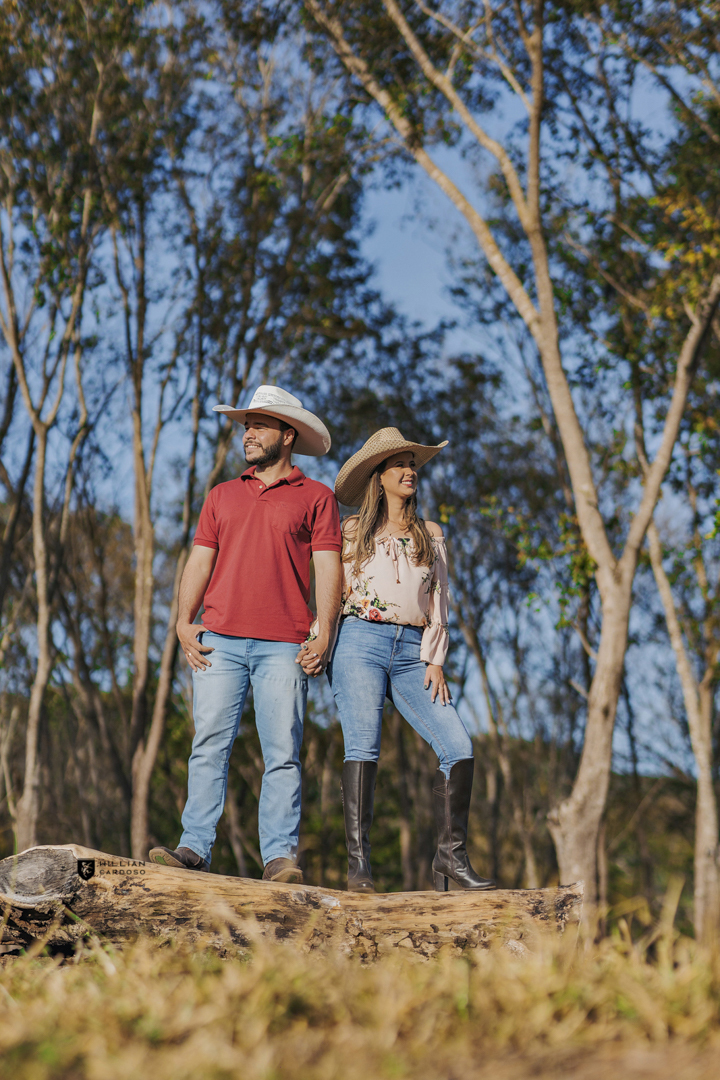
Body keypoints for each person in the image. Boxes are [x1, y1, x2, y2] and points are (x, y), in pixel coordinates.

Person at [150, 386, 343, 883]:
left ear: (288, 433)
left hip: (285, 645)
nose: (248, 434)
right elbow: (199, 560)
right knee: (209, 744)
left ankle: (278, 858)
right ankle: (194, 847)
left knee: (283, 753)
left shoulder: (317, 498)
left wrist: (324, 635)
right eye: (245, 426)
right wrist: (181, 620)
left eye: (258, 425)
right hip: (219, 641)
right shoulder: (222, 494)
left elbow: (328, 569)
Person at [303, 427, 494, 894]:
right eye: (399, 464)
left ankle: (450, 857)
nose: (410, 471)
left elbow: (440, 600)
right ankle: (360, 867)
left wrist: (435, 659)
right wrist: (319, 638)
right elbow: (332, 592)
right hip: (358, 642)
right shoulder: (352, 532)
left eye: (413, 463)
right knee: (363, 748)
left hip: (414, 653)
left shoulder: (431, 535)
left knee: (458, 746)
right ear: (378, 476)